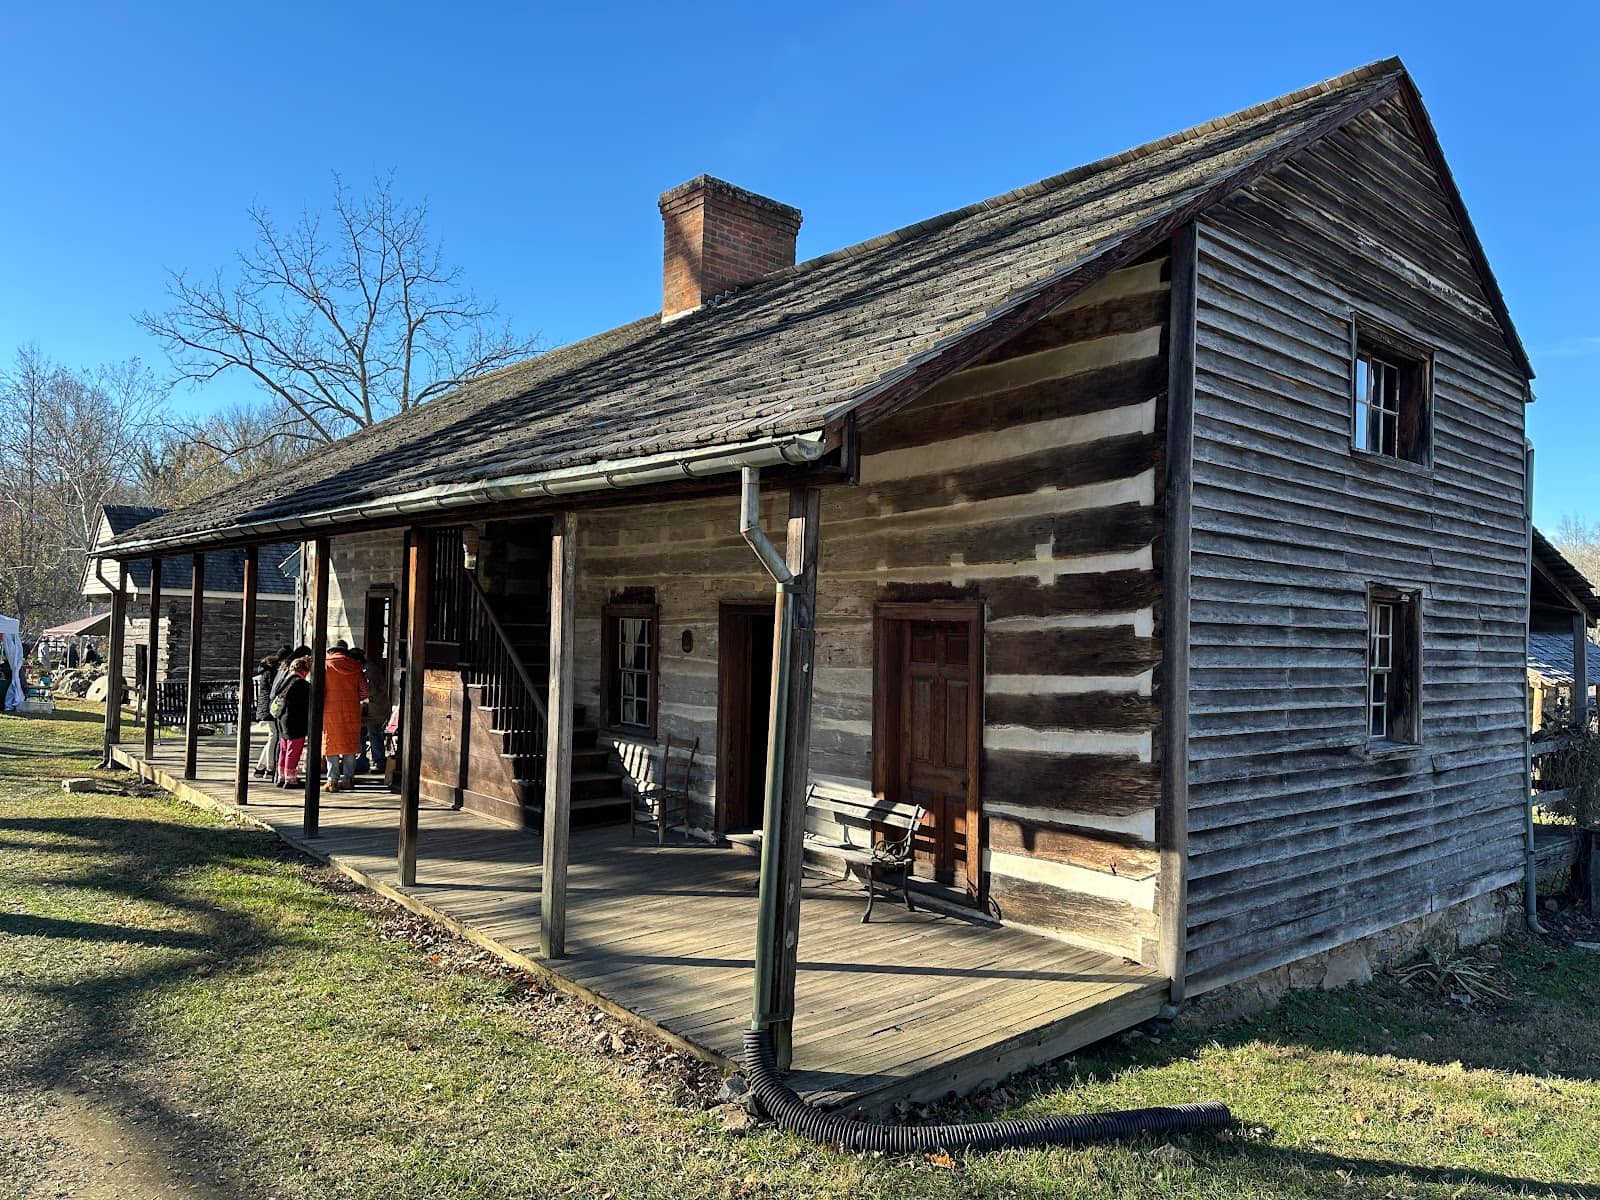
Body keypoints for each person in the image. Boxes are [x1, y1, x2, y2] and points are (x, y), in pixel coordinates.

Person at [322, 642, 368, 792]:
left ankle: (332, 781)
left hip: (330, 710)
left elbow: (320, 690)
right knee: (350, 744)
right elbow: (364, 693)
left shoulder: (326, 665)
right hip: (352, 710)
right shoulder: (356, 666)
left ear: (331, 651)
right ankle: (348, 779)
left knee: (331, 743)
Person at [273, 656, 313, 787]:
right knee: (293, 750)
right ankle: (291, 780)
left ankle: (281, 777)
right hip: (295, 720)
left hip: (281, 719)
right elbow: (306, 703)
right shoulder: (301, 684)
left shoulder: (284, 680)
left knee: (284, 749)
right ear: (304, 670)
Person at [253, 648, 289, 777]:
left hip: (265, 707)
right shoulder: (274, 671)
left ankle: (260, 767)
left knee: (272, 737)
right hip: (271, 708)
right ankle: (270, 768)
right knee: (274, 737)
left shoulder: (267, 670)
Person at [354, 649, 389, 776]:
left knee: (373, 734)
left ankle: (379, 762)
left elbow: (369, 690)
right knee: (363, 734)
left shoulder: (368, 671)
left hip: (373, 709)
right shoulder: (368, 669)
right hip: (369, 709)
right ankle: (362, 761)